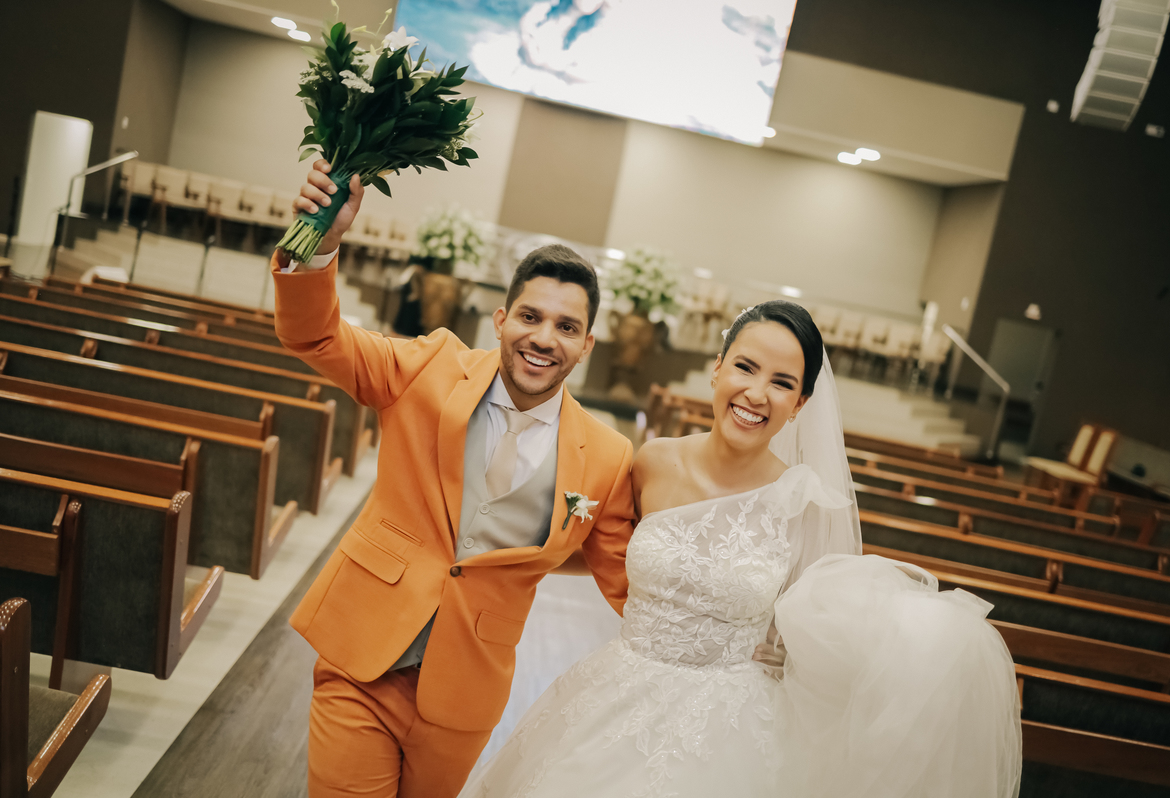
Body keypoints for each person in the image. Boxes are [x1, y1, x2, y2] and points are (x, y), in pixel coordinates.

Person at [459, 302, 1023, 797]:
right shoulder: (652, 462)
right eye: (745, 367)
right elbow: (600, 552)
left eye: (782, 382)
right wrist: (496, 554)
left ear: (799, 404)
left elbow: (819, 626)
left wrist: (911, 641)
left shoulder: (804, 503)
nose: (756, 394)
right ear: (717, 369)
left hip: (724, 727)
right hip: (612, 696)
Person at [272, 161, 636, 798]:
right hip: (362, 656)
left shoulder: (607, 455)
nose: (543, 338)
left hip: (464, 695)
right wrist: (321, 245)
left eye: (566, 327)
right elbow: (317, 336)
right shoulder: (431, 366)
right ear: (500, 319)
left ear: (587, 346)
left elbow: (625, 578)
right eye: (530, 316)